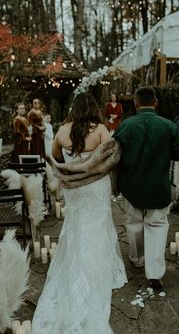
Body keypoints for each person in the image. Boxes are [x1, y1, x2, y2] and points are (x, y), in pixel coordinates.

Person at [31, 92, 127, 334]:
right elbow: (111, 158)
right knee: (98, 222)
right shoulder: (102, 130)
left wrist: (71, 165)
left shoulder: (63, 130)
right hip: (96, 186)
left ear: (74, 107)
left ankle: (75, 263)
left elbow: (53, 156)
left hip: (74, 188)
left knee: (76, 223)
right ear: (94, 107)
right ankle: (97, 268)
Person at [113, 86, 179, 290]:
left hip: (131, 186)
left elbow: (114, 157)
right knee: (157, 226)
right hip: (158, 186)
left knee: (134, 224)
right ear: (155, 102)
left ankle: (137, 259)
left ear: (136, 103)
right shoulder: (169, 126)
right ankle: (154, 273)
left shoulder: (124, 126)